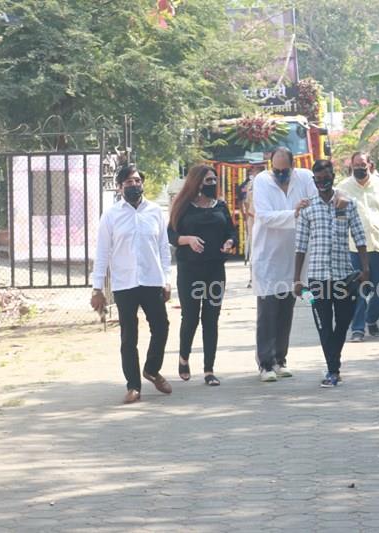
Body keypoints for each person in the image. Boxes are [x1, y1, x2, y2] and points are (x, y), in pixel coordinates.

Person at [91, 163, 173, 404]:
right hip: (124, 283)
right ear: (119, 187)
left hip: (152, 280)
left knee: (161, 327)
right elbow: (102, 253)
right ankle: (133, 386)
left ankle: (152, 369)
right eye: (129, 182)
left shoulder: (155, 211)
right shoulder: (111, 216)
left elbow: (163, 249)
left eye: (137, 181)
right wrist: (97, 288)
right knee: (129, 336)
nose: (134, 185)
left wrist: (167, 280)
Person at [294, 160, 369, 387]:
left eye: (326, 178)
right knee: (323, 324)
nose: (322, 183)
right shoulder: (308, 208)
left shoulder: (346, 204)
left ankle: (333, 365)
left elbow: (359, 237)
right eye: (318, 180)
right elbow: (300, 245)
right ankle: (333, 370)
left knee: (344, 321)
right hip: (316, 279)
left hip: (344, 277)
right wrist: (297, 279)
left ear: (333, 177)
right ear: (313, 181)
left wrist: (365, 269)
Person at [251, 147, 317, 382]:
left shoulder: (305, 177)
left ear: (293, 166)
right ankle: (265, 363)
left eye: (284, 170)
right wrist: (295, 212)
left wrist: (301, 211)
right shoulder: (262, 181)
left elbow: (316, 204)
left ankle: (280, 359)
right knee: (268, 312)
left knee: (286, 310)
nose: (280, 174)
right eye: (276, 170)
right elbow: (265, 216)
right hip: (268, 257)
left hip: (295, 257)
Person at [168, 164, 237, 387]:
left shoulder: (221, 206)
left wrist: (230, 241)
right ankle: (184, 357)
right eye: (208, 180)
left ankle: (209, 370)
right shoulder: (184, 206)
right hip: (190, 270)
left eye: (214, 180)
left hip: (215, 269)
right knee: (190, 316)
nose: (212, 184)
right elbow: (171, 235)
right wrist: (188, 240)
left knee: (211, 318)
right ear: (197, 183)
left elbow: (231, 231)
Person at [338, 152, 379, 342]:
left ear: (370, 166)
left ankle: (371, 319)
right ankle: (357, 329)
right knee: (359, 289)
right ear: (351, 167)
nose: (359, 168)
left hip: (377, 247)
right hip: (354, 249)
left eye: (363, 165)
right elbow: (337, 215)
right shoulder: (343, 188)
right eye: (356, 165)